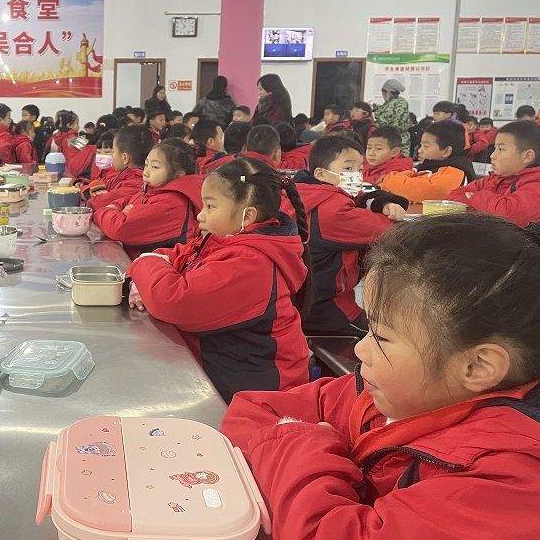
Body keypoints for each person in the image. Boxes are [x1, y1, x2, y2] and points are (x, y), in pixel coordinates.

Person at [221, 213, 540, 540]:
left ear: (476, 367)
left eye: (381, 336)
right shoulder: (390, 397)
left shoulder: (515, 485)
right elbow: (254, 411)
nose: (360, 350)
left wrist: (299, 443)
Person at [128, 157, 312, 401]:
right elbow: (176, 256)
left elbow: (173, 300)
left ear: (247, 216)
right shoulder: (226, 240)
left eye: (210, 207)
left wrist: (144, 264)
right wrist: (145, 271)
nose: (200, 216)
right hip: (225, 373)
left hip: (260, 399)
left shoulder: (251, 264)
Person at [291, 135, 405, 337]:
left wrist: (381, 202)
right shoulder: (332, 211)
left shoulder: (303, 194)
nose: (356, 176)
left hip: (299, 301)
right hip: (327, 309)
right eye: (348, 168)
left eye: (360, 169)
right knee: (382, 338)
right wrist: (385, 206)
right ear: (321, 173)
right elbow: (388, 229)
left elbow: (360, 197)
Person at [92, 138, 204, 258]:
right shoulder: (151, 191)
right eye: (146, 165)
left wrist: (107, 212)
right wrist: (118, 212)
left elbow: (119, 229)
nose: (146, 172)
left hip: (155, 266)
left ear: (179, 175)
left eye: (155, 167)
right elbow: (121, 203)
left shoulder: (173, 202)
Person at [447, 120, 540, 226]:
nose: (492, 156)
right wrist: (484, 208)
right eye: (495, 148)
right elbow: (455, 195)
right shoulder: (496, 177)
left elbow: (508, 215)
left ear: (527, 156)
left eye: (501, 149)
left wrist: (474, 197)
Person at [383, 120, 475, 202]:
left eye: (426, 146)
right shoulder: (425, 167)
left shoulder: (455, 172)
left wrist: (387, 180)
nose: (420, 150)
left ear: (446, 151)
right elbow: (388, 185)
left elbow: (423, 191)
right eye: (421, 145)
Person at [86, 125, 152, 210]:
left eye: (113, 152)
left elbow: (98, 204)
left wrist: (94, 198)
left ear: (125, 158)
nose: (112, 156)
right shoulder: (122, 175)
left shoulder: (135, 183)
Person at [374, 79, 411, 156]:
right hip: (389, 138)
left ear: (388, 92)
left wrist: (376, 116)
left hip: (399, 140)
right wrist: (375, 107)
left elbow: (392, 121)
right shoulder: (391, 102)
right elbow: (385, 109)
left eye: (384, 92)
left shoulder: (400, 103)